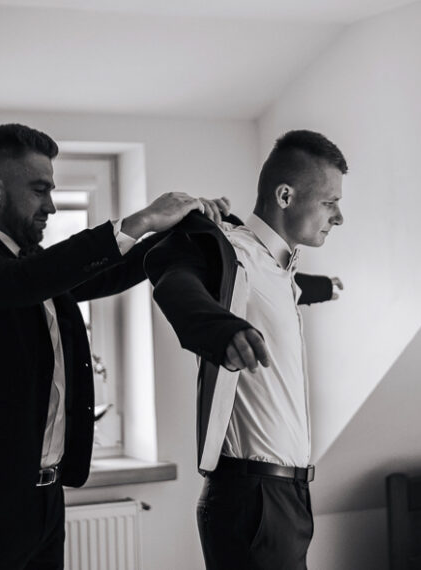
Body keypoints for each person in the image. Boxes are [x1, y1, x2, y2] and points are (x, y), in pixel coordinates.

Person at [0, 123, 228, 569]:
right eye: (39, 190)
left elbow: (107, 271)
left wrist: (181, 230)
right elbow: (25, 281)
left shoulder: (33, 264)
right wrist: (141, 219)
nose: (51, 205)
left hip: (44, 499)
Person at [144, 129, 347, 570]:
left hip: (288, 497)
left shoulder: (281, 271)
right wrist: (222, 331)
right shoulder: (229, 251)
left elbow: (293, 289)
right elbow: (174, 279)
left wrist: (329, 288)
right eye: (330, 202)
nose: (339, 217)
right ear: (286, 196)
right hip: (252, 499)